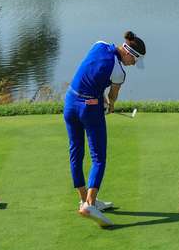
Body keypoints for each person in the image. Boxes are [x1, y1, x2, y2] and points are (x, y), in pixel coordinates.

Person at [64, 31, 147, 228]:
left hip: (69, 103)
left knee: (76, 152)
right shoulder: (119, 72)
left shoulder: (99, 44)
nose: (133, 65)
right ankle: (90, 205)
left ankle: (84, 199)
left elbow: (91, 72)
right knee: (98, 158)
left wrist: (98, 97)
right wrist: (110, 105)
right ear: (129, 54)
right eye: (134, 61)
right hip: (89, 110)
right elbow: (113, 95)